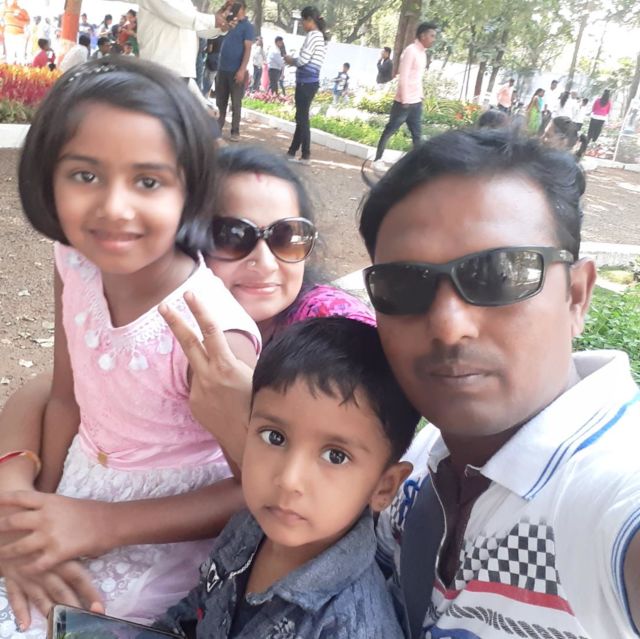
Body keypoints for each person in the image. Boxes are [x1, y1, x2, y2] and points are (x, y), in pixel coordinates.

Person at [0, 144, 374, 631]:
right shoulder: (177, 320)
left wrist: (96, 523)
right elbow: (52, 387)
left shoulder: (328, 342)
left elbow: (298, 488)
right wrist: (14, 495)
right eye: (233, 235)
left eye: (288, 236)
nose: (264, 261)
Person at [0, 57, 262, 638]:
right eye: (84, 175)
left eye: (148, 182)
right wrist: (33, 523)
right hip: (74, 494)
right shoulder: (74, 261)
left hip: (162, 540)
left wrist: (99, 525)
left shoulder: (210, 331)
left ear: (190, 190)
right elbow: (66, 397)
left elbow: (257, 487)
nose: (114, 208)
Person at [360, 127, 640, 638]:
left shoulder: (613, 491)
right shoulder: (419, 462)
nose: (449, 327)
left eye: (500, 274)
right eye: (403, 285)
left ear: (577, 296)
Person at [155, 317, 417, 639]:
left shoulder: (348, 627)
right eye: (274, 437)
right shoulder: (249, 526)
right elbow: (198, 608)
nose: (289, 480)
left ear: (384, 487)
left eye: (335, 456)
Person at [373, 21, 438, 168]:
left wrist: (420, 95)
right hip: (404, 102)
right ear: (423, 35)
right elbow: (403, 76)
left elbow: (417, 77)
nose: (433, 39)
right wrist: (405, 99)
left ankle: (417, 167)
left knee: (417, 135)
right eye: (432, 36)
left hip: (416, 102)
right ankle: (377, 160)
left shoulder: (423, 53)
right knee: (390, 130)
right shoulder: (411, 51)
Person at [284, 6, 327, 165]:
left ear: (310, 20)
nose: (302, 24)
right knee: (301, 117)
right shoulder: (319, 36)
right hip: (310, 82)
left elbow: (303, 61)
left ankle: (306, 154)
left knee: (302, 119)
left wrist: (291, 60)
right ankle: (292, 151)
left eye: (303, 20)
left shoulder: (313, 35)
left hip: (306, 82)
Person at [216, 1, 253, 141]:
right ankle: (217, 129)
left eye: (236, 6)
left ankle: (235, 130)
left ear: (242, 8)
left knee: (236, 102)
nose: (233, 9)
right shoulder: (229, 23)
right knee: (220, 101)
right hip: (222, 68)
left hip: (236, 70)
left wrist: (242, 69)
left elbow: (248, 49)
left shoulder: (248, 27)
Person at [2, 0, 29, 64]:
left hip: (20, 35)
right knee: (10, 56)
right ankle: (9, 69)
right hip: (8, 34)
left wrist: (19, 20)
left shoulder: (23, 11)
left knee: (20, 56)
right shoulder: (5, 10)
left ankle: (20, 69)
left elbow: (27, 22)